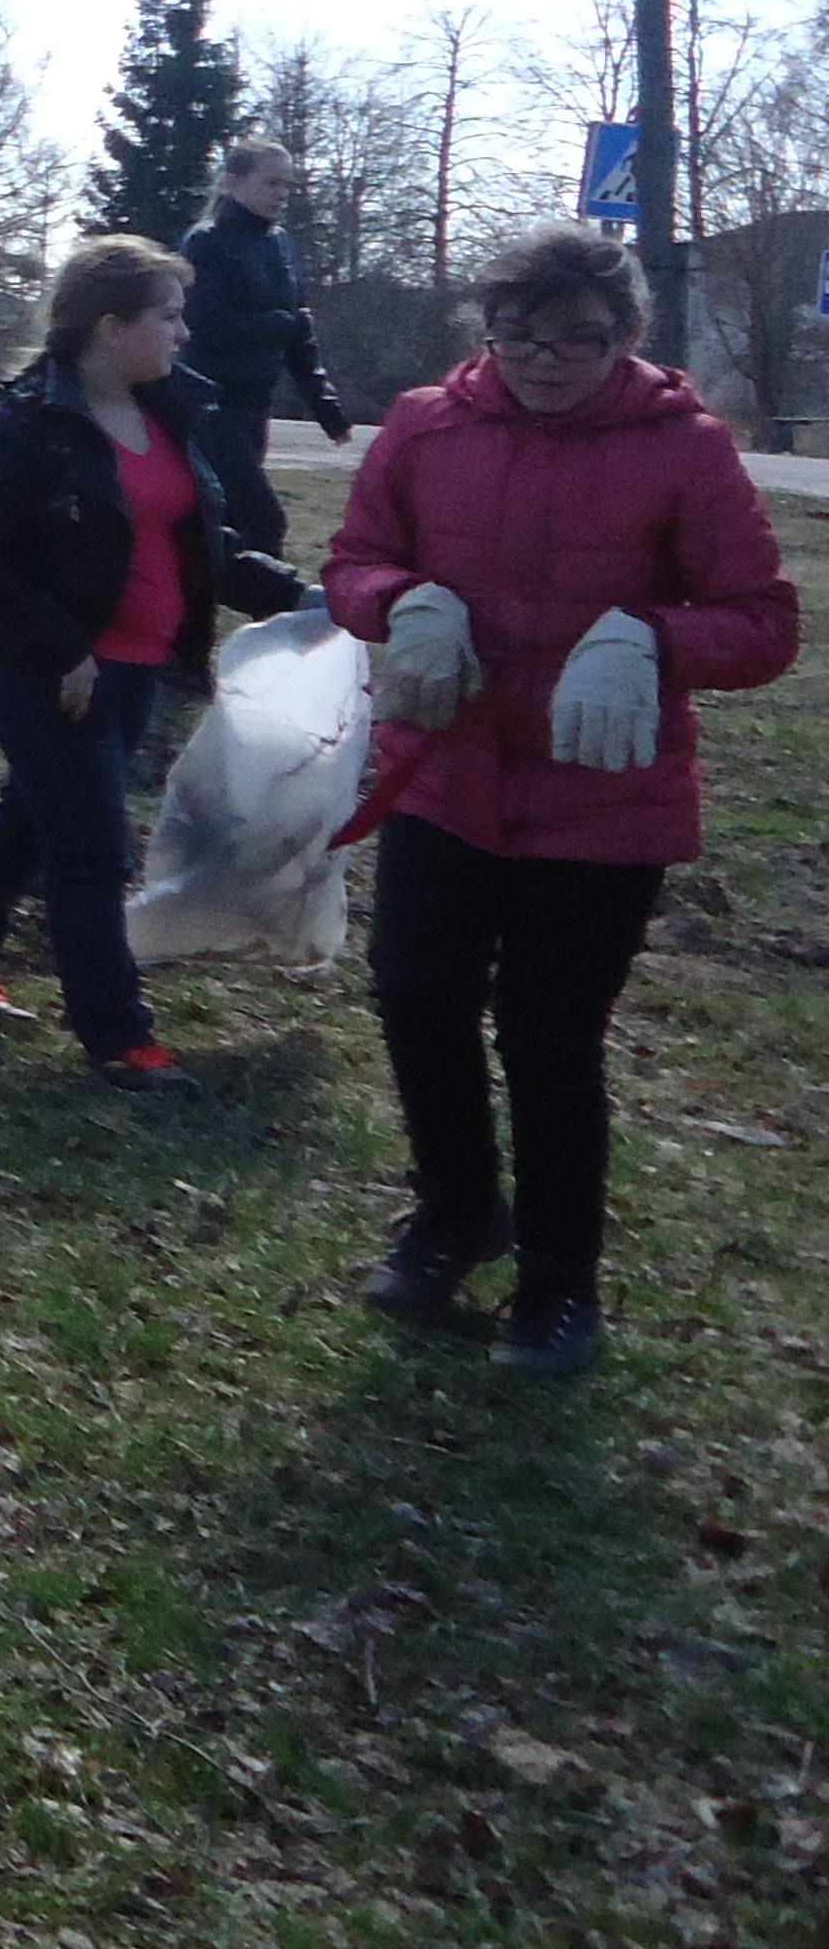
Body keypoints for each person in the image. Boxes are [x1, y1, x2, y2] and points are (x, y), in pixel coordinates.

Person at [320, 221, 798, 1376]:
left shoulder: (687, 450)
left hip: (601, 797)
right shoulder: (428, 426)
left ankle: (559, 1285)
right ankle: (453, 1215)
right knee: (416, 995)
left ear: (628, 333)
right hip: (446, 772)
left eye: (576, 340)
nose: (541, 360)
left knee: (548, 1036)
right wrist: (400, 603)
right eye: (517, 334)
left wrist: (653, 636)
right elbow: (351, 562)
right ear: (487, 330)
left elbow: (766, 623)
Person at [0, 232, 307, 1085]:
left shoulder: (167, 412)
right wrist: (62, 649)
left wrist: (297, 595)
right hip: (49, 671)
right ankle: (119, 1038)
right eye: (168, 317)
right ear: (109, 326)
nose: (183, 334)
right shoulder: (26, 428)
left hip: (140, 665)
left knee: (30, 815)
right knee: (91, 852)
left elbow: (203, 543)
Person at [182, 139, 354, 560]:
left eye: (288, 185)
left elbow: (299, 334)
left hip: (255, 407)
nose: (282, 193)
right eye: (271, 182)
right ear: (233, 181)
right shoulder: (206, 242)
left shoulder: (280, 244)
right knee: (262, 521)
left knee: (225, 529)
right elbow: (202, 324)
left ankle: (205, 607)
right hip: (210, 405)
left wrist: (325, 406)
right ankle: (274, 617)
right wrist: (279, 325)